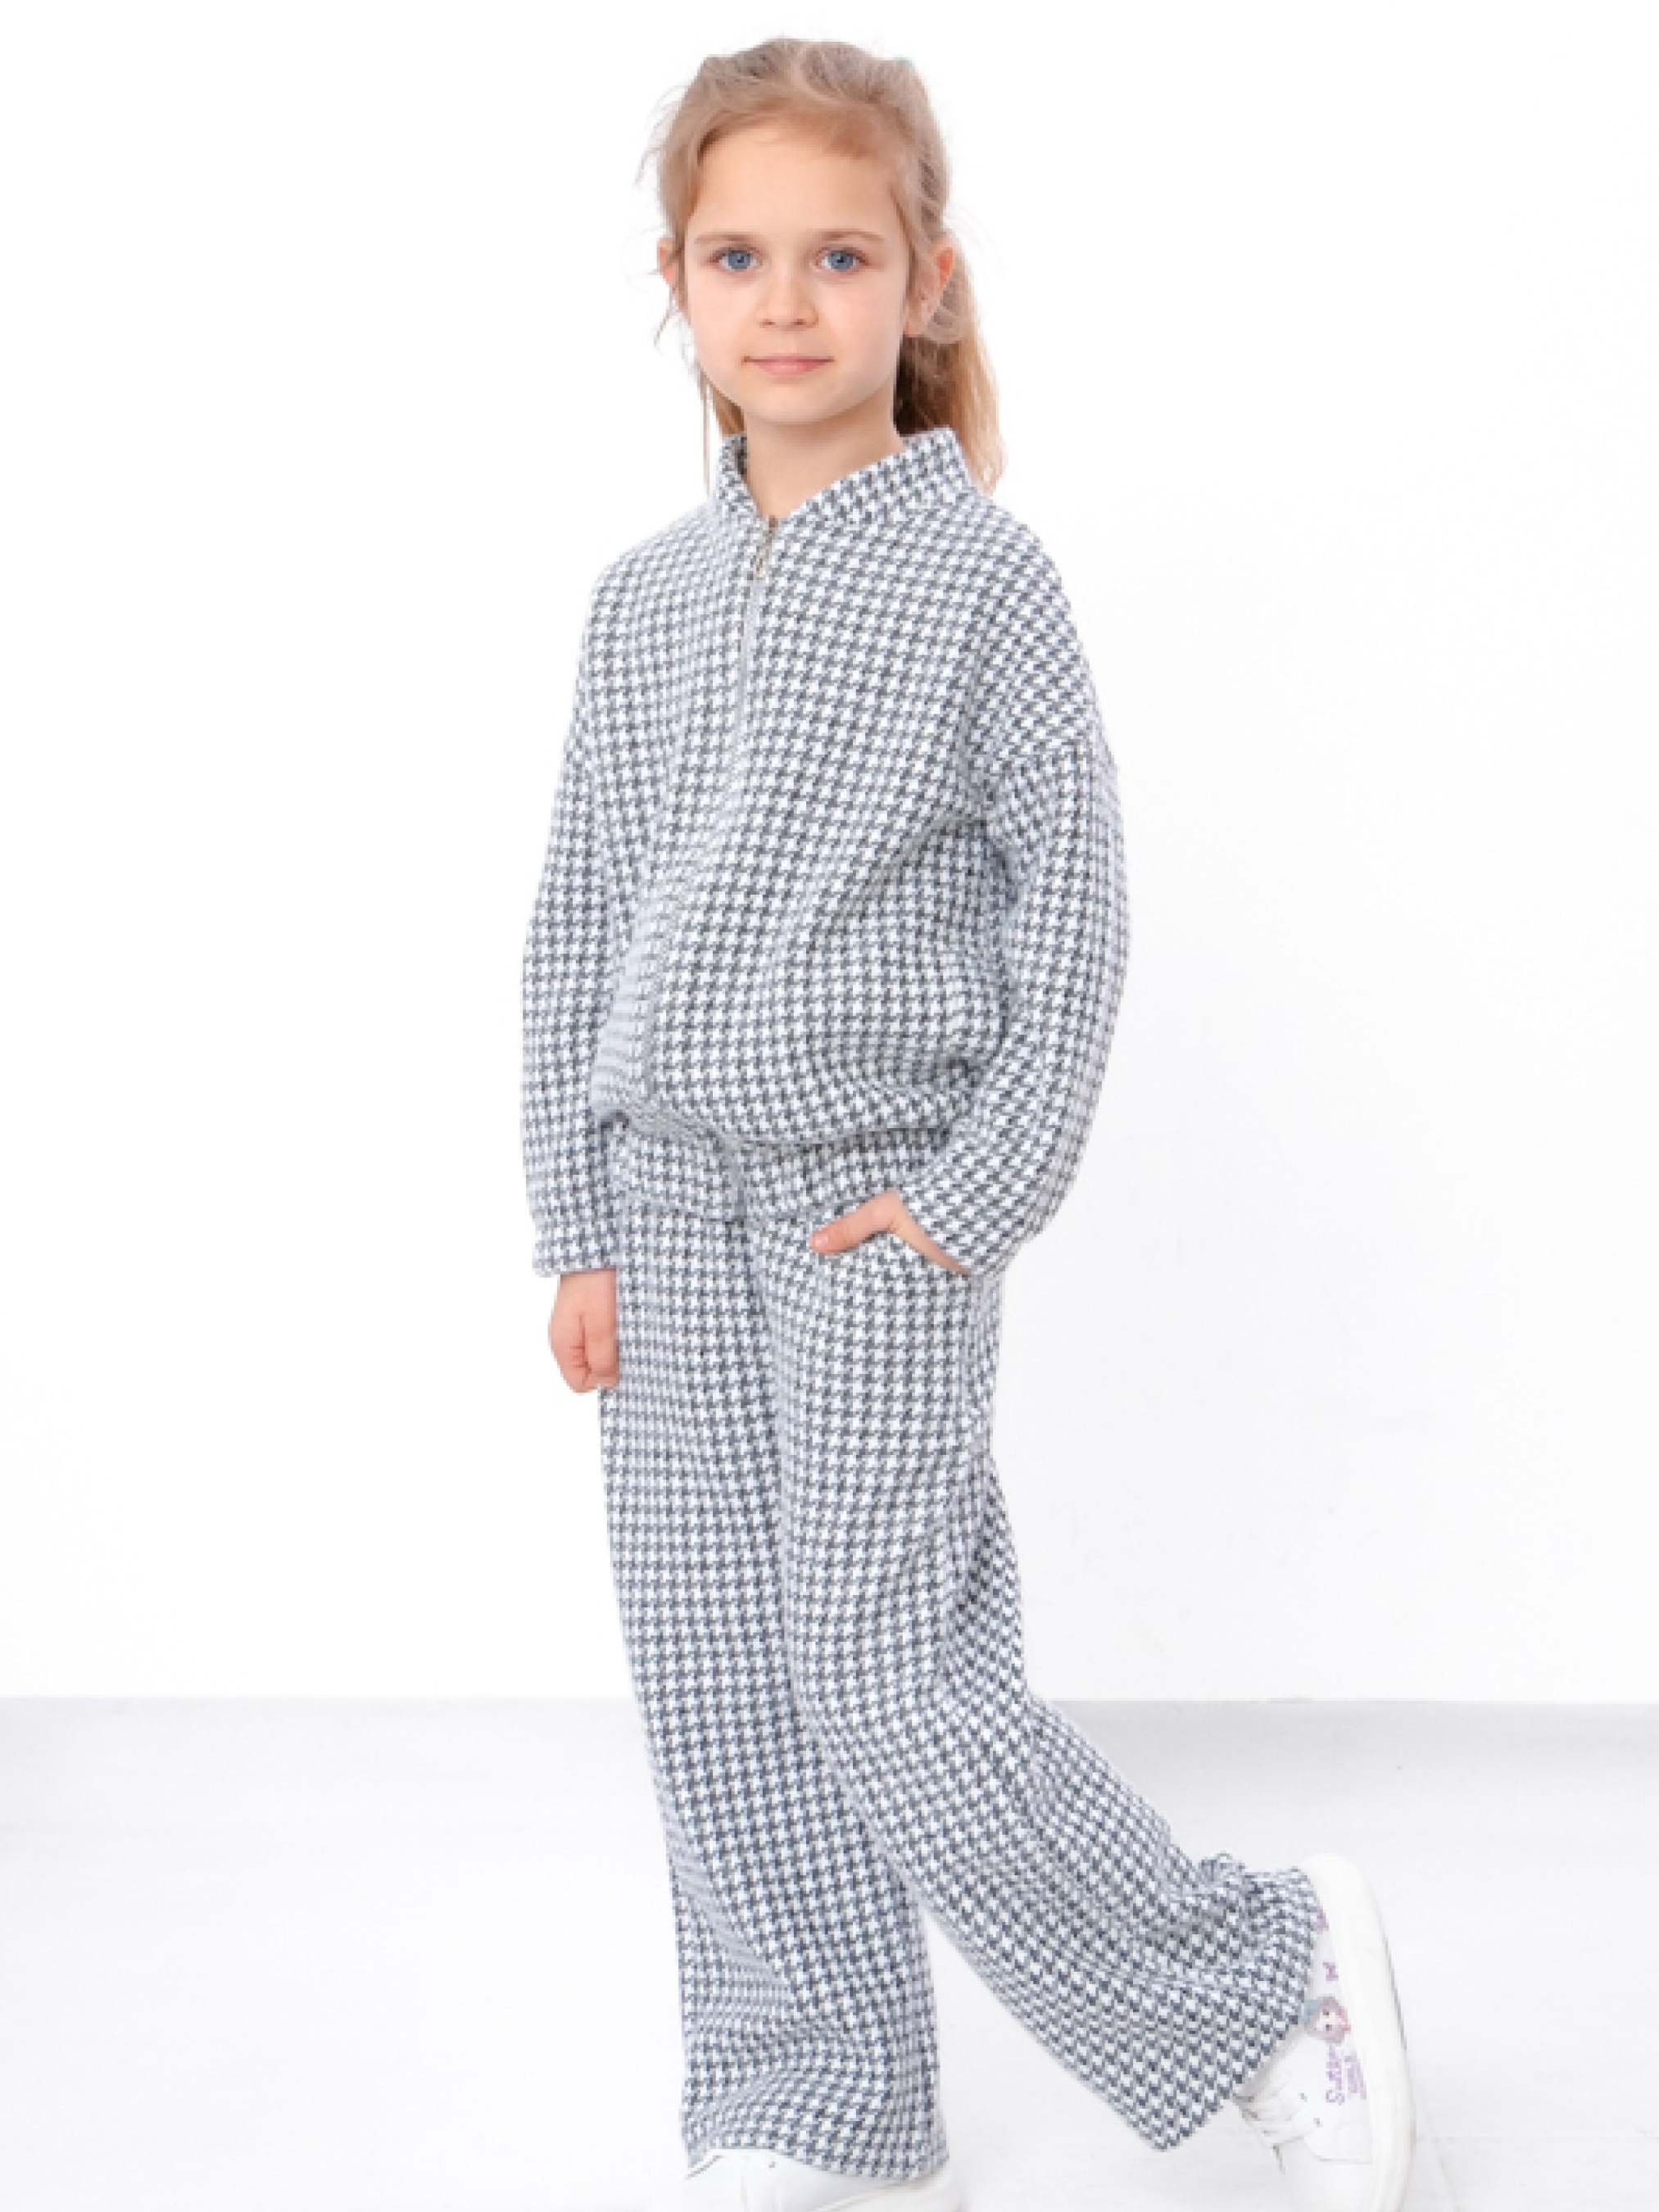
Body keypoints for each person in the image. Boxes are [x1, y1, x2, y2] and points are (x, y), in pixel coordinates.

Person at [521, 37, 1416, 2212]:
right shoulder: (639, 601)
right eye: (738, 257)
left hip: (871, 1207)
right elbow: (578, 917)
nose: (787, 301)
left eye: (840, 256)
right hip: (664, 1203)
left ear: (924, 282)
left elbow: (1075, 911)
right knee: (722, 1681)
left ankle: (1259, 1974)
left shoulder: (981, 582)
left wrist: (970, 1197)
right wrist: (576, 1218)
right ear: (675, 284)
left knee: (883, 1672)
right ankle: (812, 2095)